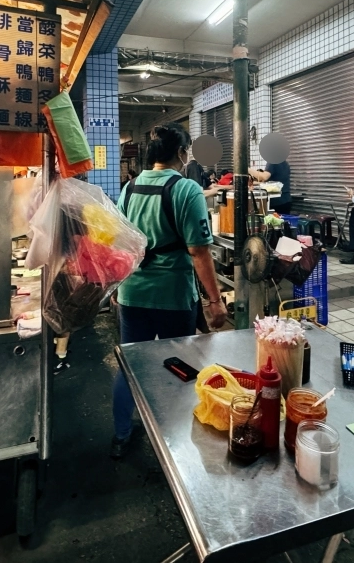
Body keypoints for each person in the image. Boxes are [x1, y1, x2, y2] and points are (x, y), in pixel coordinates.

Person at [111, 123, 229, 459]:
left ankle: (121, 435)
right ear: (180, 153)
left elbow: (122, 245)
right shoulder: (186, 189)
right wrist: (215, 302)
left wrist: (118, 286)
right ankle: (173, 437)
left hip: (133, 293)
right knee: (177, 366)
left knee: (130, 365)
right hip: (173, 296)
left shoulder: (129, 188)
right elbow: (199, 252)